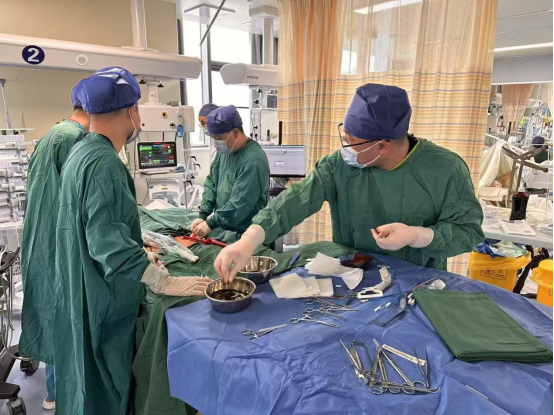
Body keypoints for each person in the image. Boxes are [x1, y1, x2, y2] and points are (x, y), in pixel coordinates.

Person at [53, 66, 211, 415]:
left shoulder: (81, 152)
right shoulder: (103, 162)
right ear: (131, 111)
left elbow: (95, 225)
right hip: (103, 296)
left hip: (84, 285)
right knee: (107, 385)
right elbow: (106, 241)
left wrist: (137, 251)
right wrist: (161, 279)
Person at [214, 83, 485, 282]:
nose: (345, 147)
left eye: (352, 141)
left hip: (417, 284)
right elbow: (295, 200)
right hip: (353, 277)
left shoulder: (445, 169)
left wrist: (417, 236)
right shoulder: (338, 166)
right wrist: (249, 240)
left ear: (382, 146)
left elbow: (467, 232)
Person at [20, 80, 90, 411]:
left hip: (43, 237)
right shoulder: (75, 139)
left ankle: (53, 391)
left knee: (53, 309)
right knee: (66, 312)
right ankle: (66, 393)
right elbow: (81, 201)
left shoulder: (55, 133)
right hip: (59, 241)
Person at [191, 105, 270, 237]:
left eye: (219, 138)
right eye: (214, 139)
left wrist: (211, 224)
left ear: (235, 132)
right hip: (225, 228)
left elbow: (240, 203)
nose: (217, 143)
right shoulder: (225, 151)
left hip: (247, 233)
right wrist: (203, 215)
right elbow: (212, 182)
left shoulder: (253, 160)